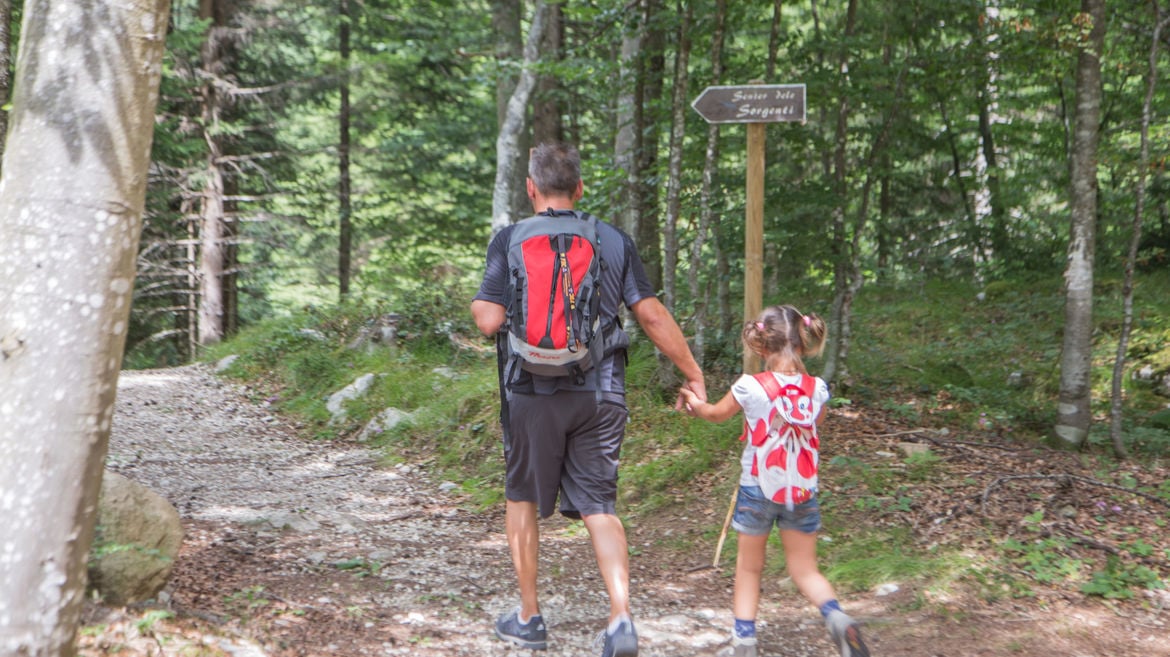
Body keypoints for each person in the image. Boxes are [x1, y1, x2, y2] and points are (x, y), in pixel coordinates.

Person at [471, 141, 706, 657]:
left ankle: (529, 617)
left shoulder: (508, 239)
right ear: (579, 189)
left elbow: (488, 319)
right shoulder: (611, 239)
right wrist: (693, 371)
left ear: (530, 188)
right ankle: (621, 619)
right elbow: (650, 315)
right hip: (600, 392)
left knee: (522, 499)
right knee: (600, 506)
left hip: (529, 392)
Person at [678, 305, 870, 657]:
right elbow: (815, 423)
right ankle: (838, 619)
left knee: (749, 568)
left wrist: (694, 403)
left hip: (758, 488)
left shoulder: (750, 386)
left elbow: (717, 414)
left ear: (760, 345)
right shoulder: (818, 388)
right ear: (802, 342)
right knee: (805, 569)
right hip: (802, 489)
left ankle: (744, 644)